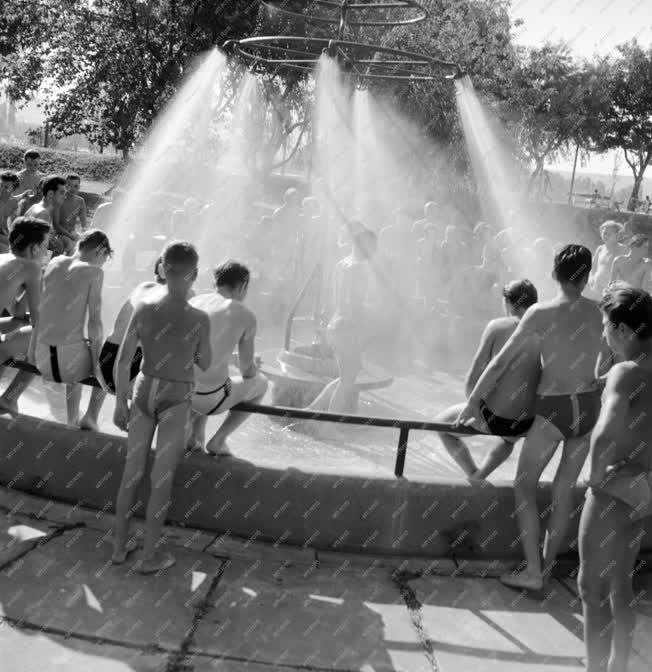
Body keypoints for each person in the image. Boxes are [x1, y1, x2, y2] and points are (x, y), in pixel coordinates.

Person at [457, 244, 603, 591]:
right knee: (564, 492)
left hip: (554, 409)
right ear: (587, 275)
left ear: (554, 274)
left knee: (524, 485)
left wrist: (473, 402)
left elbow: (499, 363)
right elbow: (611, 361)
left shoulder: (540, 312)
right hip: (588, 407)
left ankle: (534, 572)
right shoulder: (600, 312)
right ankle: (548, 567)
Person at [112, 241, 211, 573]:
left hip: (143, 391)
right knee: (160, 480)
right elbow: (206, 362)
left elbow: (124, 359)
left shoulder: (143, 307)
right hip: (176, 396)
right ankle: (149, 557)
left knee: (131, 474)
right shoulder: (199, 318)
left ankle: (118, 547)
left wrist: (119, 402)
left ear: (162, 269)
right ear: (194, 274)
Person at [579, 286, 652, 672]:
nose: (603, 333)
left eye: (606, 327)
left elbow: (605, 431)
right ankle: (618, 666)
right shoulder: (640, 366)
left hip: (617, 487)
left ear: (624, 329)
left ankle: (594, 669)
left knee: (590, 588)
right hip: (645, 488)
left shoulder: (627, 372)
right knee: (620, 586)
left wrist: (593, 476)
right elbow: (600, 377)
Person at [436, 280, 540, 479]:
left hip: (494, 419)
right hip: (526, 422)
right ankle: (480, 476)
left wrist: (473, 404)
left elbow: (474, 376)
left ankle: (472, 474)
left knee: (441, 425)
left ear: (508, 303)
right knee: (508, 440)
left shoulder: (497, 326)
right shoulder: (545, 330)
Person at [33, 230, 112, 428]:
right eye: (105, 257)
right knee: (108, 362)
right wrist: (96, 364)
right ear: (99, 250)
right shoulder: (94, 272)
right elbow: (94, 324)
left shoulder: (54, 262)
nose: (103, 263)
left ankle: (72, 420)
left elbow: (40, 310)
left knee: (74, 344)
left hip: (43, 358)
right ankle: (89, 418)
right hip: (68, 365)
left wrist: (31, 352)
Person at [187, 260, 268, 455]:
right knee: (261, 384)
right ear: (242, 286)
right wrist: (253, 366)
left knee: (206, 372)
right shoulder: (244, 314)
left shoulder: (194, 302)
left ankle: (195, 437)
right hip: (208, 399)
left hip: (179, 392)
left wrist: (229, 358)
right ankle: (219, 439)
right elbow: (247, 371)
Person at [308, 226, 378, 414]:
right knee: (347, 380)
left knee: (345, 377)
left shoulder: (341, 264)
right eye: (373, 247)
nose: (374, 252)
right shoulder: (358, 269)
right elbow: (353, 304)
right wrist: (366, 318)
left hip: (336, 325)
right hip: (348, 327)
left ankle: (312, 410)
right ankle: (328, 426)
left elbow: (334, 299)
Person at [0, 218, 51, 414]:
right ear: (34, 247)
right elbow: (38, 321)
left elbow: (18, 315)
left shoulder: (4, 258)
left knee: (18, 326)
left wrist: (34, 285)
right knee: (45, 339)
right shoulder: (31, 268)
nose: (47, 251)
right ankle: (9, 399)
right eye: (45, 245)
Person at [97, 257, 166, 395]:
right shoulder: (176, 295)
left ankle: (91, 415)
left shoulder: (142, 286)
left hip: (105, 362)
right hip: (132, 366)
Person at [588, 221, 626, 298]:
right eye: (604, 233)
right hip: (596, 287)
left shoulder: (623, 249)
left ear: (617, 235)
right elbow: (593, 266)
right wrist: (591, 277)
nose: (605, 235)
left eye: (609, 234)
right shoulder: (600, 248)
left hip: (611, 291)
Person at [58, 173, 87, 254]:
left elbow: (83, 221)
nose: (72, 189)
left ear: (79, 186)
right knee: (70, 246)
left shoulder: (80, 201)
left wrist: (85, 232)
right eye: (69, 185)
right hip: (58, 232)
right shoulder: (59, 198)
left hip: (71, 233)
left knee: (86, 246)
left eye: (76, 186)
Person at [0, 171, 20, 252]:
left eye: (6, 187)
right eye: (1, 185)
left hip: (3, 231)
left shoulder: (14, 203)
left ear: (13, 189)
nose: (2, 189)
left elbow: (12, 223)